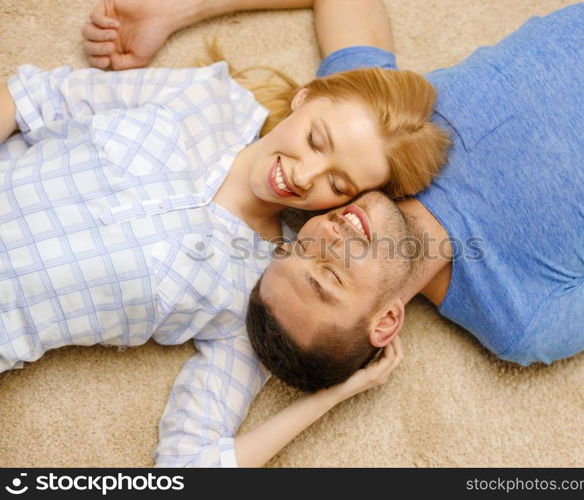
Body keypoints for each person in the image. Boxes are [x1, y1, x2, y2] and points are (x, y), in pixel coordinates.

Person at [1, 0, 448, 467]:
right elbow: (33, 97)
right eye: (316, 140)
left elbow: (188, 467)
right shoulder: (208, 98)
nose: (305, 174)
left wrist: (334, 394)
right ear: (305, 97)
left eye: (337, 184)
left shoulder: (265, 288)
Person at [247, 0, 584, 391]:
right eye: (331, 274)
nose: (328, 236)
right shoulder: (523, 318)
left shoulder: (368, 156)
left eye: (301, 245)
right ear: (387, 321)